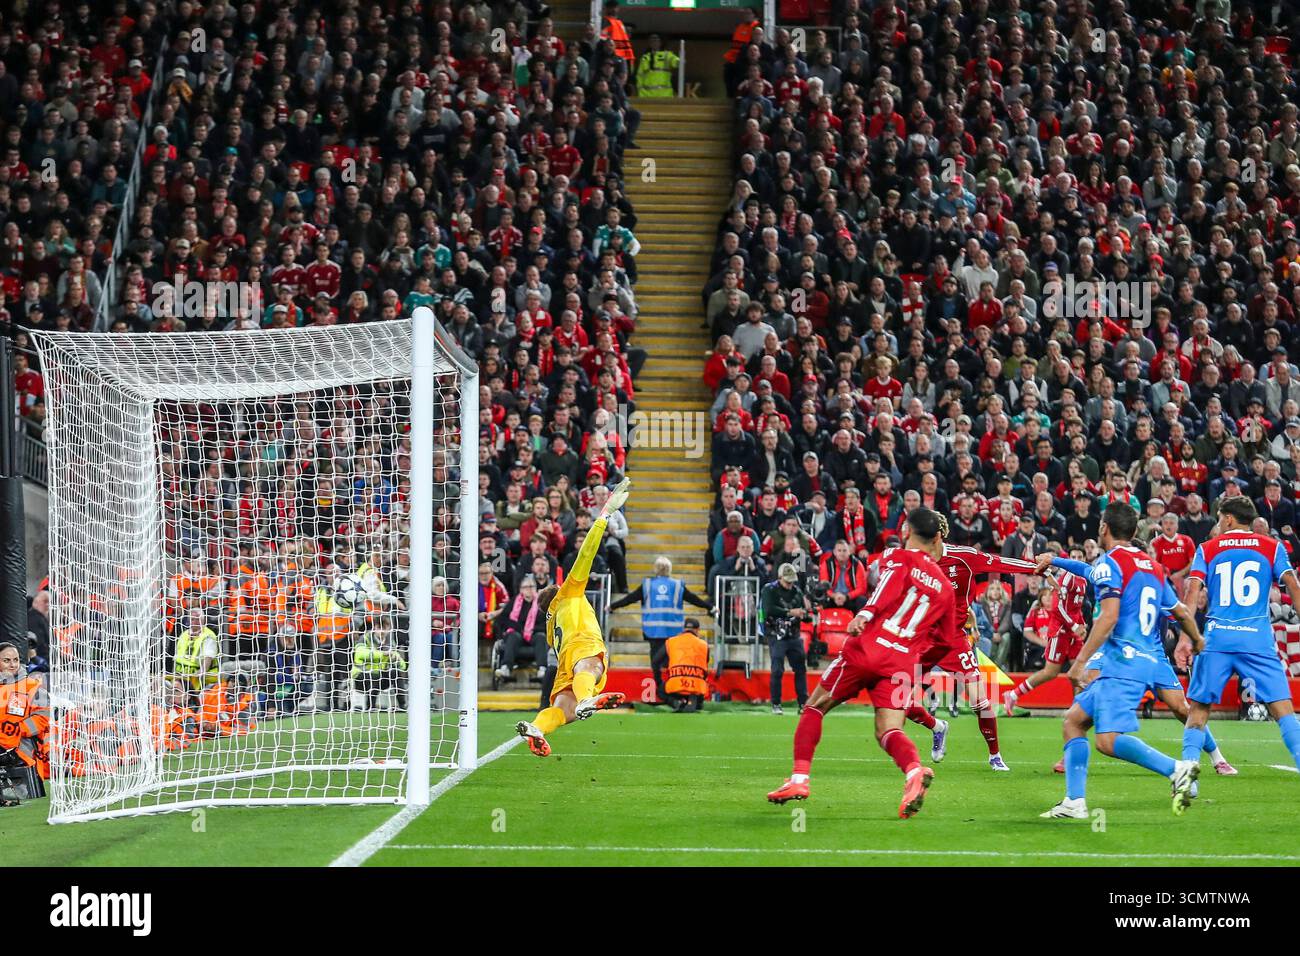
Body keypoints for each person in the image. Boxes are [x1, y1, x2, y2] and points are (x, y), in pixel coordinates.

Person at [765, 508, 957, 818]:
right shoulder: (946, 590)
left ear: (907, 531)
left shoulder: (898, 556)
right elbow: (946, 643)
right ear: (937, 537)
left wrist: (866, 613)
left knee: (815, 706)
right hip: (901, 664)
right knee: (888, 731)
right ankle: (913, 772)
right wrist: (914, 657)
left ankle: (799, 779)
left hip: (867, 648)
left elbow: (889, 586)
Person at [1038, 502, 1205, 819]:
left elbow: (1109, 616)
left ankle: (1177, 769)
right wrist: (1196, 640)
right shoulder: (1153, 567)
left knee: (1108, 740)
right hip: (1140, 659)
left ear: (1104, 528)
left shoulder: (1109, 562)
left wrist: (1079, 662)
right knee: (1074, 722)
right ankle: (1074, 802)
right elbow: (1181, 612)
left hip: (1122, 663)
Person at [1179, 496, 1300, 780]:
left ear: (1229, 519)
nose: (1218, 524)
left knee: (1198, 709)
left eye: (1220, 518)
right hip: (1256, 639)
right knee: (1283, 709)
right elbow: (1292, 585)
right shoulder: (1272, 546)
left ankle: (1187, 774)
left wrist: (1187, 638)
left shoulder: (1207, 548)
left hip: (1217, 638)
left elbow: (1193, 591)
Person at [905, 526, 1041, 772]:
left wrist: (1036, 567)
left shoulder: (964, 557)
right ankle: (937, 727)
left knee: (980, 700)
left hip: (954, 640)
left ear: (935, 537)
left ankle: (995, 755)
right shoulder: (915, 561)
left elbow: (1001, 563)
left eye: (918, 537)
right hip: (922, 639)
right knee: (897, 697)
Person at [516, 479, 633, 756]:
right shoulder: (568, 593)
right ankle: (585, 700)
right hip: (582, 645)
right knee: (590, 669)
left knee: (561, 711)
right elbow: (586, 554)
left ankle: (537, 727)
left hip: (563, 660)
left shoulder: (550, 619)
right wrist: (604, 515)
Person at [609, 555, 710, 701]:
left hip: (653, 631)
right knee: (673, 662)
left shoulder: (648, 585)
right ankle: (675, 691)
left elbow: (630, 599)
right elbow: (694, 599)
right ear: (669, 569)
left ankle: (660, 691)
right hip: (673, 633)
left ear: (655, 569)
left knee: (656, 663)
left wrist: (612, 606)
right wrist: (710, 607)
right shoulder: (677, 585)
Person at [0, 641, 50, 801]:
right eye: (6, 660)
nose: (12, 664)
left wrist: (19, 729)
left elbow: (43, 717)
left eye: (16, 659)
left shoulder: (32, 686)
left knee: (26, 797)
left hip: (23, 752)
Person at [761, 563, 811, 715]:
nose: (790, 584)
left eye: (792, 581)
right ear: (780, 577)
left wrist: (806, 613)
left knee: (801, 669)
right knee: (777, 670)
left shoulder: (797, 591)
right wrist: (790, 612)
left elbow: (805, 614)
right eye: (787, 581)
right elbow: (769, 609)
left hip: (793, 634)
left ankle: (803, 703)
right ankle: (776, 703)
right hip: (776, 635)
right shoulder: (769, 590)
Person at [172, 605, 220, 710]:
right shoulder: (184, 634)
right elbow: (177, 657)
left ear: (203, 620)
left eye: (199, 619)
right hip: (182, 678)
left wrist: (200, 673)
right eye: (193, 619)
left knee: (194, 706)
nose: (196, 621)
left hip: (201, 681)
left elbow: (208, 657)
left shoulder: (208, 636)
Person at [663, 617, 709, 712]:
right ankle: (694, 701)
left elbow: (657, 661)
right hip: (696, 686)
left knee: (660, 689)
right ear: (697, 630)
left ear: (684, 629)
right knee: (700, 683)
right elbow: (705, 666)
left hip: (675, 685)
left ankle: (677, 702)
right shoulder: (703, 645)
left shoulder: (671, 641)